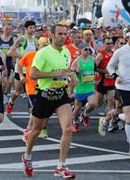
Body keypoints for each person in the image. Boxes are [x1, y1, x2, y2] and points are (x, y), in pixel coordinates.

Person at [22, 24, 78, 179]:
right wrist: (54, 74)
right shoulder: (43, 53)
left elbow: (66, 70)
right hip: (45, 95)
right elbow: (33, 74)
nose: (63, 36)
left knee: (67, 128)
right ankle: (27, 156)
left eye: (65, 34)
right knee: (36, 131)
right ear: (51, 35)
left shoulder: (66, 52)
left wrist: (72, 76)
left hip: (60, 95)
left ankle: (61, 166)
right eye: (59, 33)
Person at [18, 37, 49, 143]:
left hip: (44, 87)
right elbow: (19, 64)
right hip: (31, 88)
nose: (44, 48)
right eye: (42, 45)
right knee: (34, 110)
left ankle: (39, 129)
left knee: (43, 110)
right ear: (37, 46)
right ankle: (28, 130)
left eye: (46, 46)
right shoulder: (30, 55)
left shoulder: (49, 58)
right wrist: (21, 76)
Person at [70, 43, 97, 133]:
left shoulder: (92, 59)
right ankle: (74, 122)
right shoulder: (77, 61)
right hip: (80, 88)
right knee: (77, 107)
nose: (87, 51)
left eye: (88, 49)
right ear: (80, 50)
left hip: (89, 87)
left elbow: (95, 69)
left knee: (93, 104)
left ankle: (84, 115)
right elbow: (71, 73)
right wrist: (76, 73)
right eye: (85, 49)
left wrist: (95, 73)